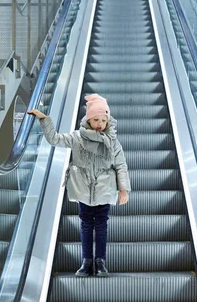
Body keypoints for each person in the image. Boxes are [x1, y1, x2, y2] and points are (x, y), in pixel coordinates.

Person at [27, 93, 130, 277]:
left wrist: (123, 189)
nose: (99, 124)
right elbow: (54, 139)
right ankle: (86, 261)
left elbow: (120, 165)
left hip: (104, 188)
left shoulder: (112, 142)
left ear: (108, 121)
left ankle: (100, 262)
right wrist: (44, 120)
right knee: (85, 224)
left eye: (103, 120)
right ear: (88, 120)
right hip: (83, 187)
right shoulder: (77, 137)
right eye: (95, 119)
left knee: (101, 225)